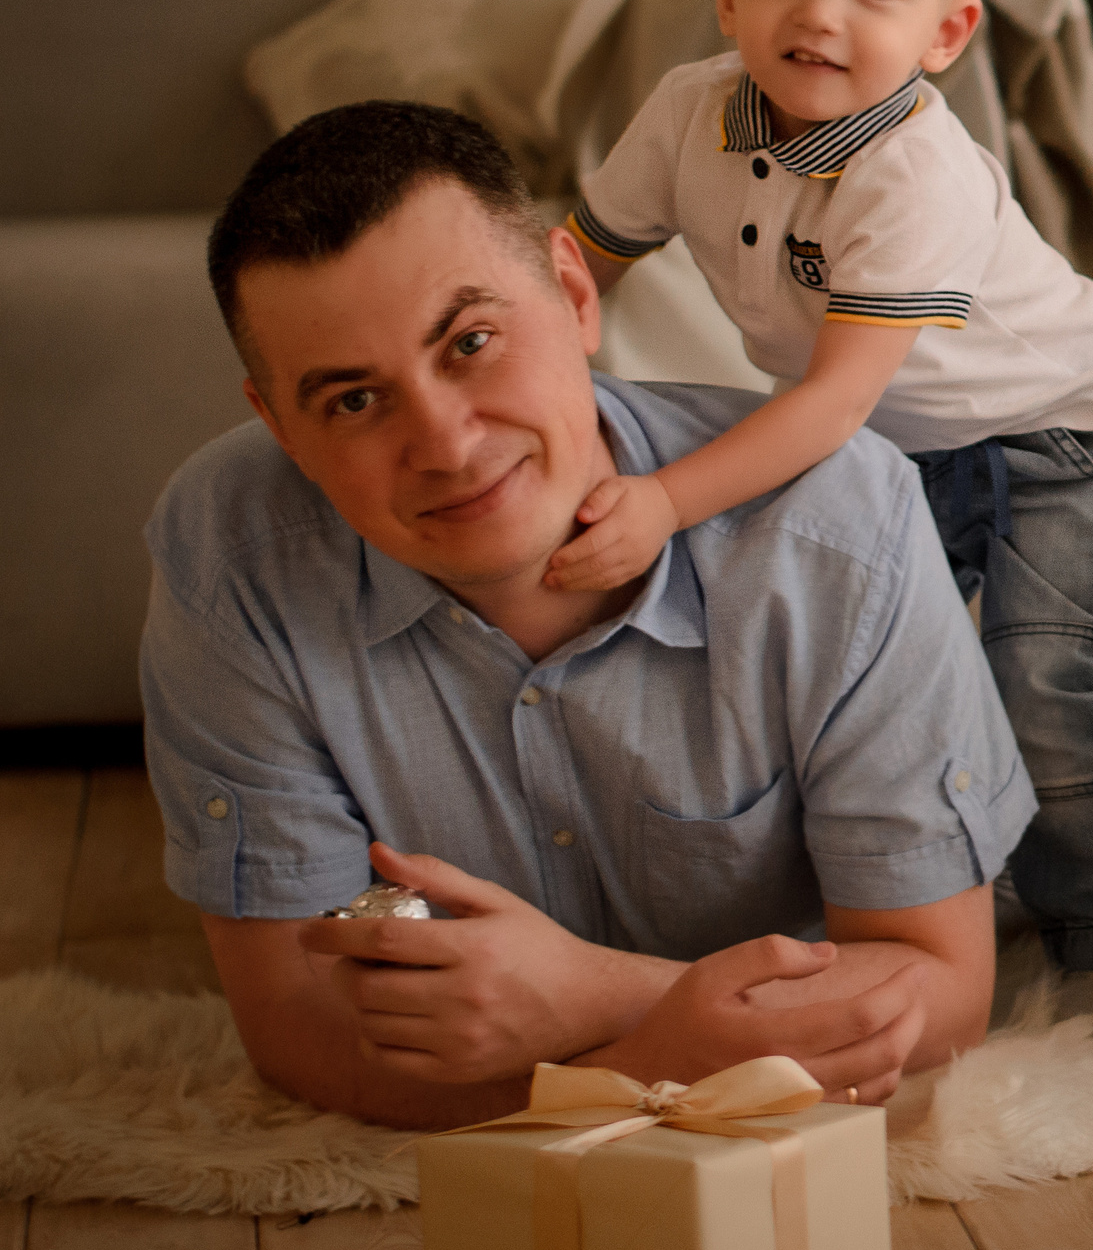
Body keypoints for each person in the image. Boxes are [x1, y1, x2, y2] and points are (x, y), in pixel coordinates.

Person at [142, 101, 1034, 1130]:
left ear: (574, 297)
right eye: (353, 400)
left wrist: (592, 998)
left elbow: (938, 988)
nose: (446, 444)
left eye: (471, 342)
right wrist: (655, 1051)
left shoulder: (837, 524)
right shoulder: (230, 557)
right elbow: (294, 1023)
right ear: (281, 428)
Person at [560, 0, 1093, 974]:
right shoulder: (689, 113)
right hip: (907, 436)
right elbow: (578, 269)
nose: (819, 13)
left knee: (1040, 680)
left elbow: (834, 406)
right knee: (876, 667)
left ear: (946, 32)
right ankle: (1080, 802)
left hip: (1069, 435)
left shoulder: (910, 173)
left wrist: (663, 502)